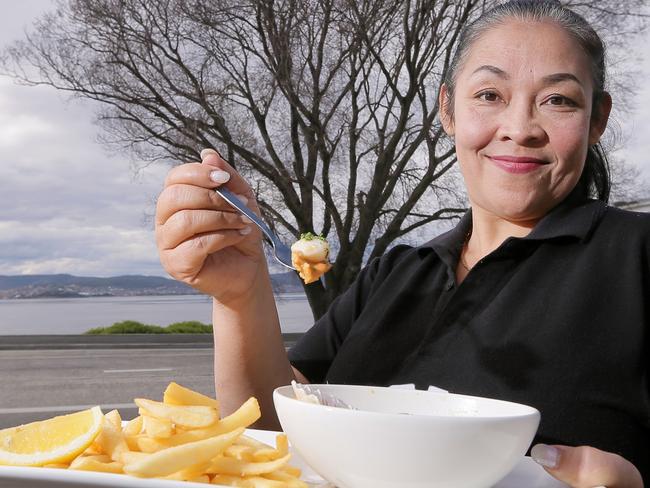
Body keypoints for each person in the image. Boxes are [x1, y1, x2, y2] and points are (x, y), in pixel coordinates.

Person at [154, 1, 649, 486]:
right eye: (489, 95)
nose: (519, 129)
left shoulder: (637, 255)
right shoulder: (396, 272)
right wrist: (241, 294)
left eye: (558, 100)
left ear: (597, 120)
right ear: (448, 110)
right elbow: (272, 433)